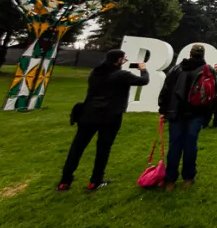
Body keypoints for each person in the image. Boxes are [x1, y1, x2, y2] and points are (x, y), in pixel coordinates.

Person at [57, 50, 149, 191]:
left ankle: (65, 180)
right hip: (110, 116)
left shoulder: (96, 72)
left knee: (77, 148)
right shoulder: (121, 75)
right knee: (103, 149)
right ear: (118, 60)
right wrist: (143, 69)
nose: (125, 59)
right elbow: (144, 81)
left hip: (88, 114)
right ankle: (95, 181)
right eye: (124, 58)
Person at [158, 44, 217, 190]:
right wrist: (207, 116)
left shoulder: (177, 68)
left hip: (176, 112)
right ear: (203, 55)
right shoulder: (208, 70)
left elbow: (166, 90)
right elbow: (212, 95)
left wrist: (163, 110)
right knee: (191, 145)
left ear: (190, 53)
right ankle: (188, 178)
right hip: (196, 113)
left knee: (174, 145)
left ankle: (170, 180)